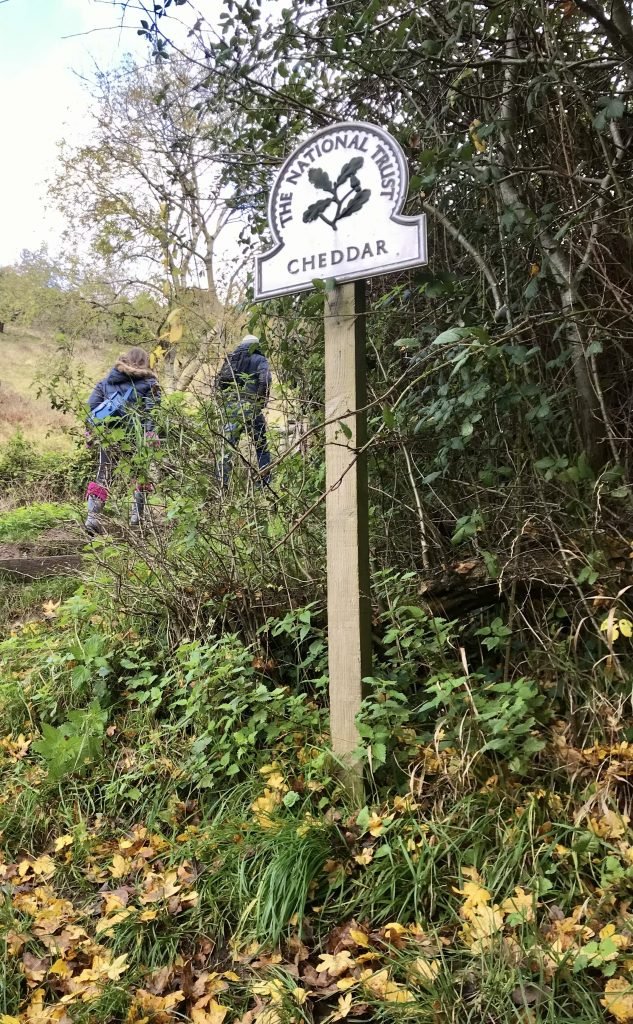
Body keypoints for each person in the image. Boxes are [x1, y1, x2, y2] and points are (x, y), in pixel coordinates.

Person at [84, 346, 161, 534]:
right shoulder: (150, 384)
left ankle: (93, 518)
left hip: (109, 435)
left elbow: (91, 407)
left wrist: (90, 432)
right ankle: (137, 518)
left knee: (104, 473)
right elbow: (152, 413)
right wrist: (150, 434)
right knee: (140, 473)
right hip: (137, 437)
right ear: (146, 363)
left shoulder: (107, 381)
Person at [216, 334, 272, 487]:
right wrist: (259, 402)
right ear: (256, 345)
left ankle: (222, 485)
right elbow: (265, 380)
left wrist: (226, 403)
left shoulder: (231, 359)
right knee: (261, 448)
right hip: (252, 407)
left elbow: (219, 382)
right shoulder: (260, 359)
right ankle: (264, 484)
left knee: (227, 447)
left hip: (231, 409)